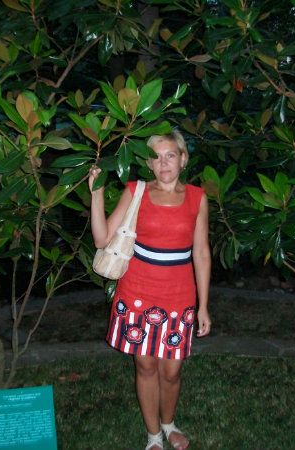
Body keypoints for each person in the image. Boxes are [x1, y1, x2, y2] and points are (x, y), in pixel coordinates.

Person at [89, 129, 212, 450]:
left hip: (179, 297)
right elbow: (102, 239)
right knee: (145, 366)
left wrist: (203, 306)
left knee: (171, 372)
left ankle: (169, 424)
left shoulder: (198, 198)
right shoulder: (136, 191)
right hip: (137, 293)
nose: (163, 163)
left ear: (183, 159)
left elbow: (201, 253)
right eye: (156, 157)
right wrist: (96, 194)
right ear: (148, 164)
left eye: (170, 155)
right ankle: (153, 434)